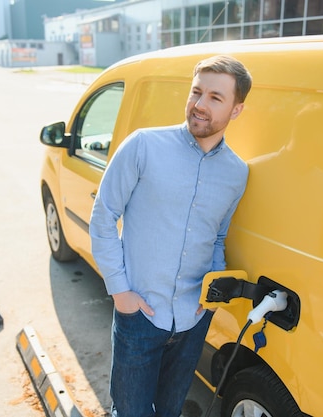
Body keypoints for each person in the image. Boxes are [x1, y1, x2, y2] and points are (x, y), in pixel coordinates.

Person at [89, 55, 252, 417]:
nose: (199, 105)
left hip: (193, 319)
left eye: (215, 98)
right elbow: (103, 218)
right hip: (139, 316)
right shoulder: (143, 146)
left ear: (236, 110)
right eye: (196, 92)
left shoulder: (236, 173)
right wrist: (121, 293)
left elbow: (217, 239)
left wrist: (209, 296)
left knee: (170, 411)